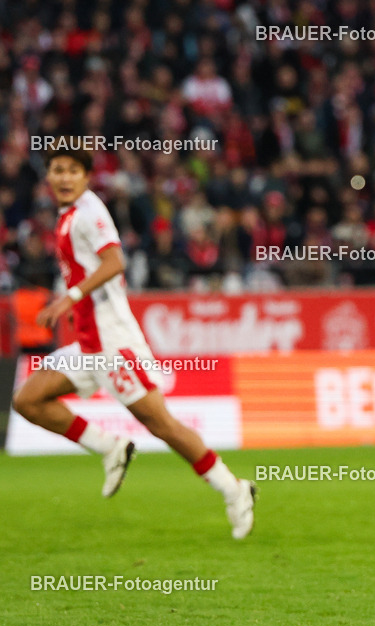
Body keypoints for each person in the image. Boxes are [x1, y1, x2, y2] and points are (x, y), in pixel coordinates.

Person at [12, 143, 256, 539]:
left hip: (113, 344)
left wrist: (69, 298)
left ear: (87, 176)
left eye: (73, 170)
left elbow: (115, 262)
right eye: (57, 169)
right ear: (48, 176)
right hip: (89, 345)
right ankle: (110, 447)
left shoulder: (89, 212)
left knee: (161, 424)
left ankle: (235, 489)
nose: (64, 177)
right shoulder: (67, 216)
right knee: (27, 400)